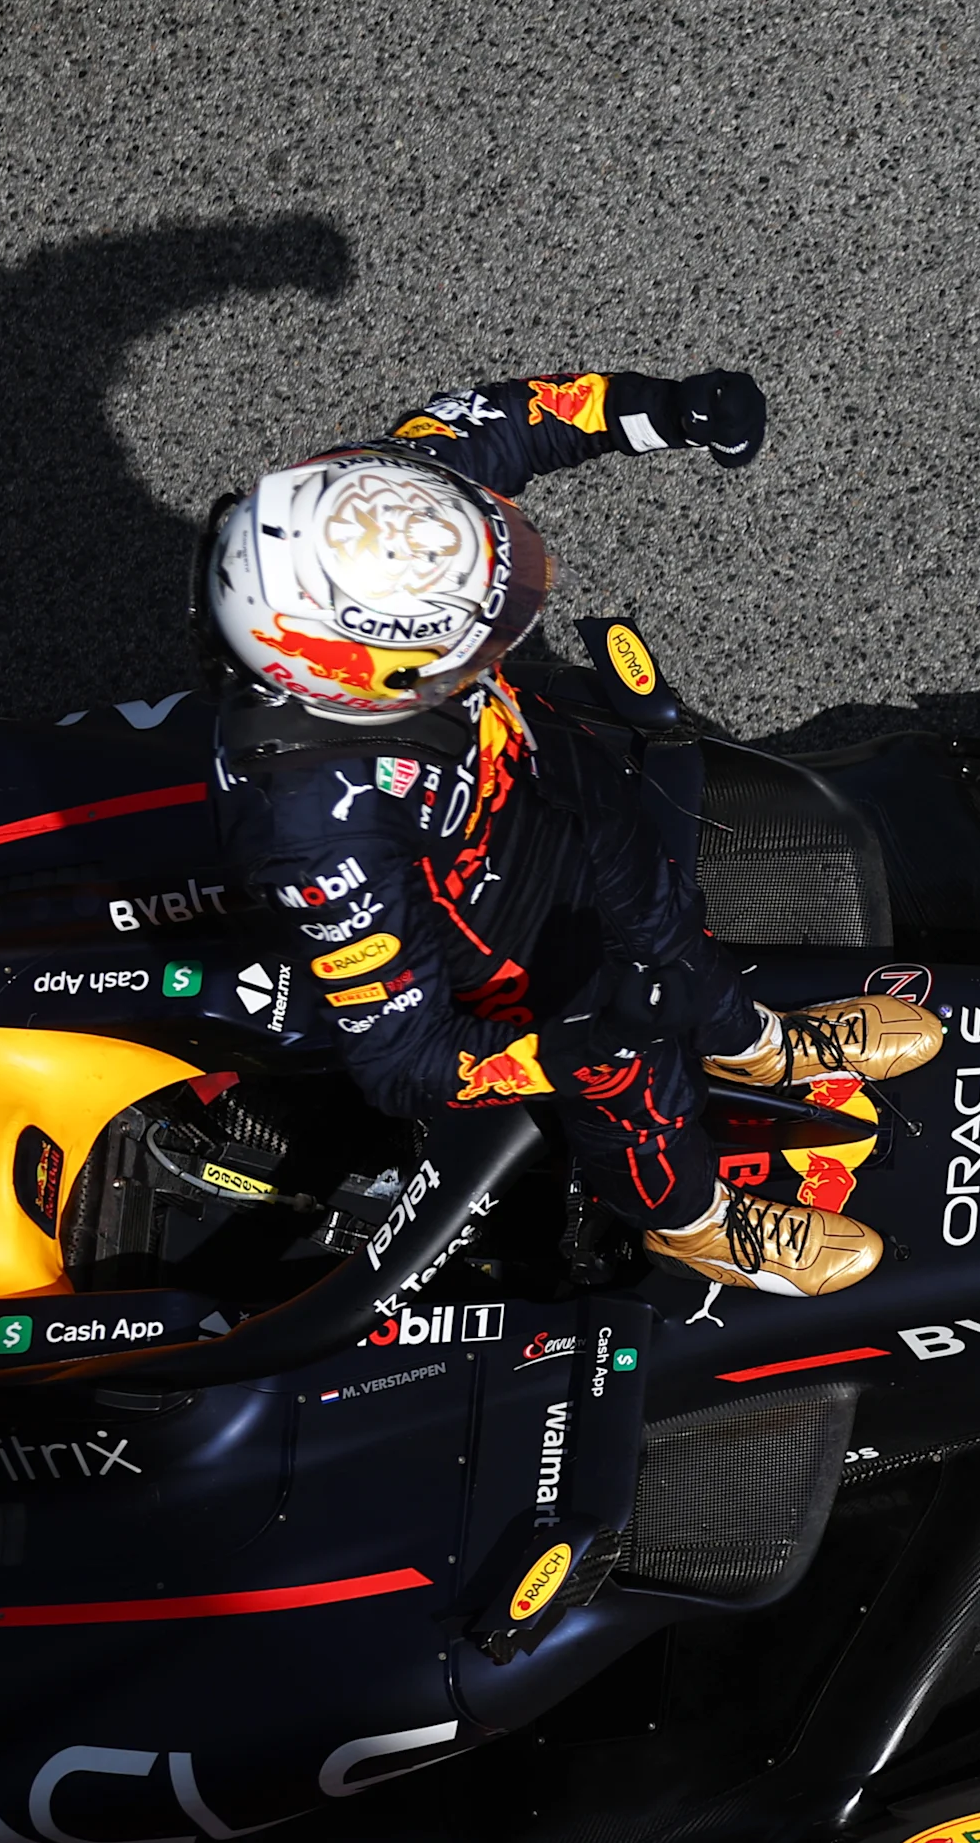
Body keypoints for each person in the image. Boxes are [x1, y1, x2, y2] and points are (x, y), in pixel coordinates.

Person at [199, 368, 934, 1297]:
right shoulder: (313, 833)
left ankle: (754, 1041)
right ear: (363, 674)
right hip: (497, 937)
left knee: (667, 916)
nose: (502, 638)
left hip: (550, 786)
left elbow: (518, 420)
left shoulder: (368, 508)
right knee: (630, 1082)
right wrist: (571, 1047)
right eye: (470, 641)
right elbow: (401, 1060)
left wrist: (669, 409)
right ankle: (692, 1225)